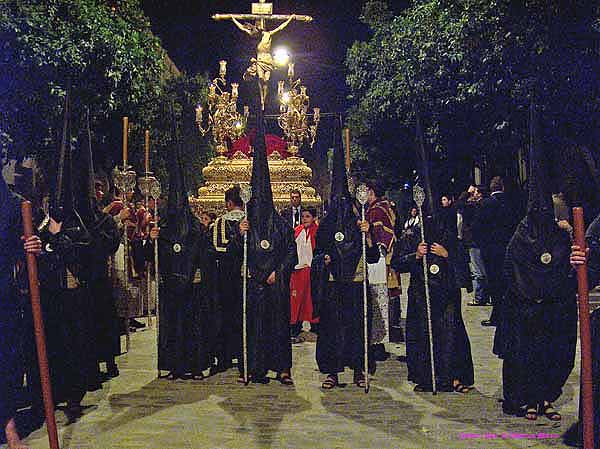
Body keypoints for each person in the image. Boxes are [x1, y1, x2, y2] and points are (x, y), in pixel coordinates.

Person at [493, 105, 576, 421]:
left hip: (551, 309)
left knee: (552, 355)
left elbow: (563, 266)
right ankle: (526, 399)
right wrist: (530, 291)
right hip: (526, 310)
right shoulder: (521, 235)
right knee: (525, 357)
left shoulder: (559, 236)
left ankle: (546, 398)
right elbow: (511, 268)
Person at [235, 101, 296, 385]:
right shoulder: (246, 224)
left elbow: (290, 253)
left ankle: (283, 368)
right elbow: (237, 255)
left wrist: (277, 272)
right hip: (255, 286)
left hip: (275, 285)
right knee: (255, 329)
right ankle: (254, 367)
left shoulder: (281, 224)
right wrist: (240, 235)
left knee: (278, 328)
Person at [312, 135, 380, 390]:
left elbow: (373, 257)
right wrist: (326, 258)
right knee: (332, 330)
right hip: (334, 283)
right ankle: (331, 372)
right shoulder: (328, 224)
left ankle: (360, 369)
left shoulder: (361, 221)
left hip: (356, 282)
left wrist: (367, 236)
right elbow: (318, 252)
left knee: (357, 328)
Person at [149, 116, 214, 380]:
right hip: (170, 288)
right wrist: (151, 240)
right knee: (172, 327)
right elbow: (151, 258)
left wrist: (196, 272)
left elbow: (205, 255)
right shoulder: (162, 229)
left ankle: (196, 365)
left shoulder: (197, 228)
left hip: (192, 289)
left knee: (193, 327)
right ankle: (173, 365)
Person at [74, 111, 122, 378]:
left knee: (104, 321)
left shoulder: (100, 215)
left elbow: (109, 242)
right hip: (80, 279)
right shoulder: (80, 212)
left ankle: (109, 362)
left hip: (98, 277)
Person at [0, 168, 42, 449]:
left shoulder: (13, 205)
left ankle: (8, 427)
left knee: (8, 364)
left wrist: (33, 245)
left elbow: (21, 246)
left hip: (4, 296)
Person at [209, 186, 245, 373]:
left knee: (225, 317)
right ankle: (244, 355)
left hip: (225, 278)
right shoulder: (252, 221)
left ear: (229, 203)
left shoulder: (219, 224)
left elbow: (217, 249)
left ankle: (224, 356)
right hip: (248, 277)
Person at [478, 176, 516, 327]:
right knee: (507, 282)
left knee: (494, 283)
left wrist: (483, 244)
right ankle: (508, 315)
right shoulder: (511, 204)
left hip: (490, 250)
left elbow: (477, 227)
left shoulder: (486, 204)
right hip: (507, 248)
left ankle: (497, 315)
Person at [365, 180, 396, 361]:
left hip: (377, 258)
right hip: (374, 258)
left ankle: (378, 343)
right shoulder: (377, 208)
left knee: (378, 300)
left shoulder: (377, 210)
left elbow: (383, 234)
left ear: (372, 192)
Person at [289, 207, 319, 343]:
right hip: (298, 271)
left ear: (313, 218)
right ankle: (295, 326)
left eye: (308, 216)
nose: (305, 219)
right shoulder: (297, 231)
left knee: (311, 300)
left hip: (312, 271)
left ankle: (315, 326)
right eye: (303, 217)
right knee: (297, 300)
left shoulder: (318, 231)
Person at [463, 185, 489, 306]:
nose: (473, 195)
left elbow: (461, 205)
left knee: (478, 272)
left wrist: (467, 194)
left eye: (475, 192)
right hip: (482, 242)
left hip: (475, 242)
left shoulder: (479, 206)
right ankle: (484, 296)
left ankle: (479, 297)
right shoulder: (482, 205)